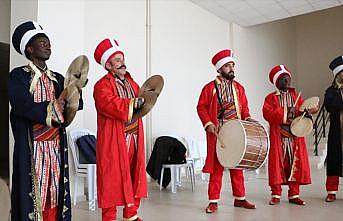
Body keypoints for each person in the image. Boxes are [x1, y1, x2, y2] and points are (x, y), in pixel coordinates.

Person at [9, 21, 74, 221]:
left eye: (48, 43)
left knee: (54, 192)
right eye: (42, 42)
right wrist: (56, 104)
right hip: (33, 146)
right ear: (29, 48)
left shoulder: (58, 78)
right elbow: (22, 105)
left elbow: (75, 105)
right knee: (34, 193)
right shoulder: (18, 76)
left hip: (55, 145)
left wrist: (75, 88)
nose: (48, 46)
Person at [93, 38, 147, 221]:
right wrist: (132, 103)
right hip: (113, 140)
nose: (122, 63)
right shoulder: (102, 85)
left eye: (122, 59)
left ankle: (131, 215)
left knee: (134, 174)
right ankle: (109, 218)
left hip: (134, 137)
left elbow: (143, 102)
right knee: (111, 179)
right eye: (117, 60)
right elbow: (107, 103)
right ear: (108, 65)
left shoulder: (132, 83)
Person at [197, 49, 256, 213]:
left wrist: (249, 119)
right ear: (220, 68)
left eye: (232, 65)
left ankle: (240, 198)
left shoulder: (239, 88)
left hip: (236, 131)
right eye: (228, 66)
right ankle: (213, 201)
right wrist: (208, 123)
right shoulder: (209, 88)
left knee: (237, 165)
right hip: (218, 131)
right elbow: (201, 107)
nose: (231, 69)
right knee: (217, 168)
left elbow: (244, 109)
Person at [262, 64, 311, 206]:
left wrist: (306, 113)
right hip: (279, 137)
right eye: (283, 79)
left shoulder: (296, 96)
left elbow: (302, 111)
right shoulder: (270, 98)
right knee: (278, 166)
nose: (287, 82)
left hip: (294, 138)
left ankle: (294, 194)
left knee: (295, 165)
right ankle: (276, 194)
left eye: (288, 78)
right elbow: (267, 113)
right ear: (277, 82)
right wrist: (285, 111)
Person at [323, 55, 343, 202]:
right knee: (334, 159)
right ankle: (331, 191)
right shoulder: (331, 91)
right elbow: (330, 106)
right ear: (338, 74)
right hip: (337, 130)